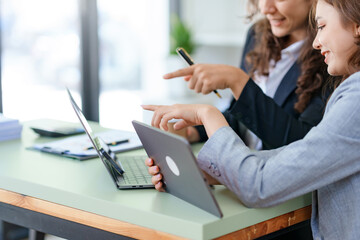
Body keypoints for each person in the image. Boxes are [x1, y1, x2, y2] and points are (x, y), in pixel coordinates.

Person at [144, 0, 360, 238]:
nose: (317, 42)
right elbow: (302, 150)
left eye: (322, 26)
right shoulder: (260, 38)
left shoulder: (349, 92)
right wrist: (209, 169)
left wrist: (209, 112)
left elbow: (268, 177)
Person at [165, 0, 333, 150]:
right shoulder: (257, 35)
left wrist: (238, 82)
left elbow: (303, 147)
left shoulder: (332, 58)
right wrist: (194, 131)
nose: (266, 8)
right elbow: (241, 119)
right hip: (240, 168)